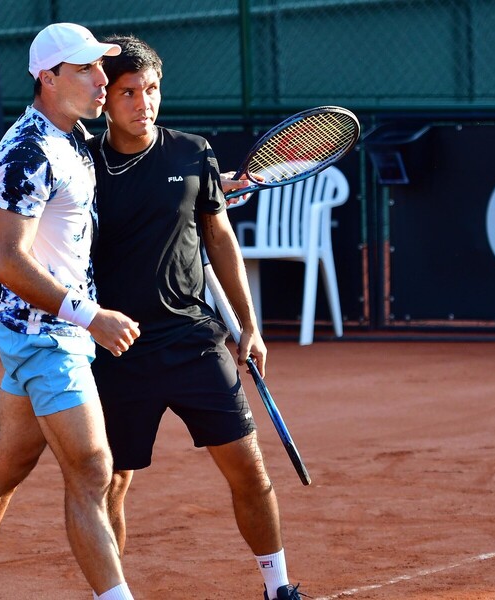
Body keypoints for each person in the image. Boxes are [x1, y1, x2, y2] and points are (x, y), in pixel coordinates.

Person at [0, 23, 139, 600]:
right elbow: (7, 262)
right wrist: (92, 316)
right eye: (87, 68)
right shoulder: (28, 150)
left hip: (43, 331)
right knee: (92, 469)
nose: (101, 79)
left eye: (101, 67)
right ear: (48, 76)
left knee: (4, 464)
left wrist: (210, 184)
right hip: (47, 335)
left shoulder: (73, 141)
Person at [87, 35, 303, 600]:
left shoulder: (191, 151)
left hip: (193, 340)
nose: (143, 103)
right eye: (129, 92)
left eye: (152, 89)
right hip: (116, 350)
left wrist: (247, 325)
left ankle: (278, 587)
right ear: (105, 97)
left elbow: (219, 236)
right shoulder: (79, 161)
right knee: (111, 485)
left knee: (250, 472)